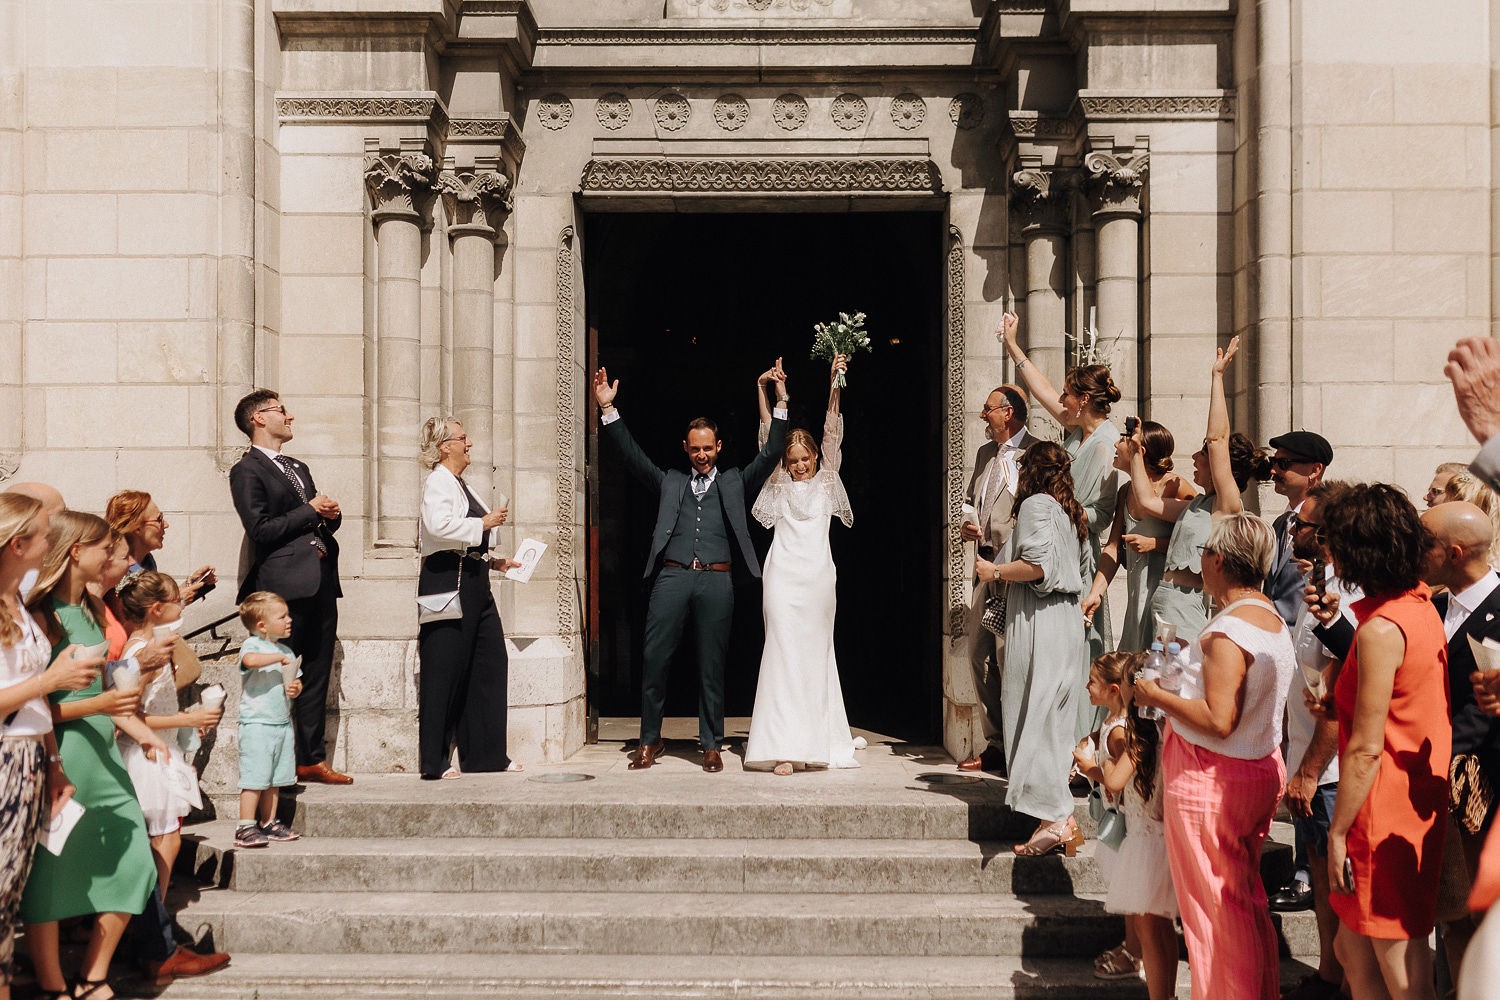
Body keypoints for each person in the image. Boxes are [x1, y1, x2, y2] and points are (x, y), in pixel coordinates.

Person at [593, 360, 788, 772]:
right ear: (686, 448)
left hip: (716, 580)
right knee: (655, 657)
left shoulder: (734, 480)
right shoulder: (671, 482)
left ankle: (711, 743)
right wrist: (609, 410)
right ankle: (649, 740)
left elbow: (772, 452)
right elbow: (632, 457)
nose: (701, 455)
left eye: (708, 448)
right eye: (695, 448)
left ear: (719, 447)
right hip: (673, 576)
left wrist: (781, 400)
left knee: (712, 663)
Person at [1134, 511, 1295, 1000]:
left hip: (1213, 778)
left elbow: (1220, 719)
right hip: (1254, 769)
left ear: (1218, 560)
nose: (1198, 562)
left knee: (1213, 914)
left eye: (1202, 553)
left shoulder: (1228, 630)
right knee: (1242, 903)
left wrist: (1154, 695)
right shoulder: (1268, 616)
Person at [1313, 483, 1448, 1000]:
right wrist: (1337, 704)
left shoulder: (1382, 629)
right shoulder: (1417, 606)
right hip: (1398, 800)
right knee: (1353, 949)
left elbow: (1368, 747)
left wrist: (1338, 832)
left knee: (1400, 964)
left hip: (1380, 809)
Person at [20, 511, 160, 1000]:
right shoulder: (41, 613)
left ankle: (93, 973)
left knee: (135, 862)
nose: (114, 558)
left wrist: (143, 732)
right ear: (77, 551)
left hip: (102, 751)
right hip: (61, 752)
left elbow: (107, 693)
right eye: (106, 548)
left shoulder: (98, 610)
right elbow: (33, 704)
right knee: (51, 871)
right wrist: (103, 705)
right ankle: (55, 984)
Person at [0, 494, 97, 1000]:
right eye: (43, 533)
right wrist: (50, 680)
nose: (51, 540)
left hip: (31, 759)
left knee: (7, 896)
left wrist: (55, 763)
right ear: (18, 543)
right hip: (4, 761)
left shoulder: (19, 593)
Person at [228, 389, 350, 785]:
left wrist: (329, 516)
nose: (289, 416)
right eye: (281, 411)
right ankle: (271, 766)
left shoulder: (297, 465)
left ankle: (310, 758)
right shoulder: (246, 470)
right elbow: (260, 528)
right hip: (282, 586)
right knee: (277, 673)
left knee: (316, 671)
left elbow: (309, 516)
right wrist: (308, 510)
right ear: (259, 418)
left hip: (320, 582)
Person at [744, 356, 858, 775]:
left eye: (803, 457)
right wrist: (768, 392)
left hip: (816, 581)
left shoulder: (828, 482)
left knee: (813, 656)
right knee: (781, 652)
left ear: (813, 456)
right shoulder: (777, 483)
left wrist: (835, 380)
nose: (798, 465)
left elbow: (833, 429)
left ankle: (813, 742)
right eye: (792, 459)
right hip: (781, 579)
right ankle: (784, 747)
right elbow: (766, 439)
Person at [975, 440, 1087, 856]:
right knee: (1050, 719)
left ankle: (1056, 818)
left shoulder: (1038, 504)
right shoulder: (1067, 509)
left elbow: (1038, 566)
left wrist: (995, 570)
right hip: (1063, 619)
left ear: (1033, 472)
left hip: (1040, 619)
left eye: (1023, 468)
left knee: (1033, 712)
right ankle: (1061, 818)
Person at [997, 312, 1120, 687]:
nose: (1061, 399)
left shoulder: (1106, 444)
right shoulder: (1078, 429)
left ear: (1083, 400)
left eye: (1068, 394)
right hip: (1054, 543)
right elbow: (1042, 390)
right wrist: (1012, 345)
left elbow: (1101, 515)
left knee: (1072, 652)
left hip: (1077, 556)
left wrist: (1053, 508)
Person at [1125, 336, 1271, 643]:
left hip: (1186, 610)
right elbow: (1148, 502)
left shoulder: (1227, 506)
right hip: (1163, 604)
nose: (1194, 457)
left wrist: (1217, 378)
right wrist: (1136, 453)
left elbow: (1217, 439)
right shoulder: (1199, 504)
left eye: (1201, 454)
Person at [1275, 481, 1354, 1000]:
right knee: (1322, 881)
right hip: (1309, 761)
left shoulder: (1347, 596)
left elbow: (1340, 693)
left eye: (1301, 524)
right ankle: (1329, 974)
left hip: (1331, 771)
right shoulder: (1315, 586)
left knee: (1337, 883)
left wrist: (1307, 771)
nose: (1292, 529)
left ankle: (1346, 980)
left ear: (1323, 534)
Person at [1419, 501, 1500, 988]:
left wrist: (1439, 757)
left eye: (1422, 543)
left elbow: (1476, 712)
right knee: (1452, 914)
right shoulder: (1432, 605)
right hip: (1440, 785)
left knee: (1481, 920)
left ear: (1452, 552)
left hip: (1482, 791)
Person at [416, 416, 523, 780]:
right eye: (463, 438)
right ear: (446, 446)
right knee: (444, 669)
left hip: (475, 580)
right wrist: (485, 523)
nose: (469, 444)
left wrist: (497, 561)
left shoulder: (461, 484)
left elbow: (466, 542)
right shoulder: (438, 482)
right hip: (448, 582)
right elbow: (437, 527)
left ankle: (485, 755)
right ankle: (434, 760)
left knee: (489, 662)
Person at [1076, 651, 1179, 999]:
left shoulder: (1139, 738)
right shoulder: (1160, 731)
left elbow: (1115, 781)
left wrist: (1092, 764)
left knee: (1152, 931)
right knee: (1160, 928)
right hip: (1153, 836)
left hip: (1147, 840)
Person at [114, 573, 219, 895]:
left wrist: (184, 718)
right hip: (147, 753)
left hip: (162, 748)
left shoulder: (153, 646)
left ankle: (152, 914)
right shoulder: (142, 654)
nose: (182, 604)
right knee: (166, 836)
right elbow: (128, 714)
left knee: (167, 833)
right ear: (157, 609)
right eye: (177, 600)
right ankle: (153, 911)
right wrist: (187, 719)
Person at [957, 383, 1038, 773]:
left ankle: (1018, 748)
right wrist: (969, 527)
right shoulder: (984, 453)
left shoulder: (1035, 453)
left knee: (1010, 658)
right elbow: (973, 503)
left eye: (987, 409)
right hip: (983, 566)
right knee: (978, 654)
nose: (982, 416)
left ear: (1008, 412)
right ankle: (995, 744)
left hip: (1014, 568)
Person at [1082, 421, 1193, 652]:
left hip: (1168, 602)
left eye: (1123, 439)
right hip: (1136, 605)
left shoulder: (1176, 486)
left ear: (1139, 451)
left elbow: (1200, 539)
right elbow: (1113, 548)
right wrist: (1095, 593)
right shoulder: (1125, 492)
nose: (1116, 442)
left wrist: (1156, 544)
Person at [1070, 651, 1137, 983]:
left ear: (1113, 689)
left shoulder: (1120, 733)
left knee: (1132, 892)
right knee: (1126, 892)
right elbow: (1104, 736)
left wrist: (1090, 769)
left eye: (1093, 682)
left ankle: (1134, 951)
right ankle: (1129, 944)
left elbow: (1123, 777)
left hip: (1128, 821)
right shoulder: (1111, 722)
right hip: (1118, 817)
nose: (1086, 685)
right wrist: (1090, 739)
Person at [234, 591, 305, 848]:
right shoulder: (253, 645)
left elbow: (295, 680)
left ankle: (269, 821)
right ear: (262, 626)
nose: (289, 620)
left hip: (281, 723)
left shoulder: (286, 649)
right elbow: (249, 661)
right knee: (255, 777)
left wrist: (295, 688)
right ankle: (245, 825)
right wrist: (277, 658)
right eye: (282, 616)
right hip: (257, 723)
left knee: (274, 779)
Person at [1264, 431, 1333, 626]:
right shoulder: (1280, 523)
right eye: (1273, 462)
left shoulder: (1328, 523)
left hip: (1311, 639)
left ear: (1315, 469)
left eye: (1283, 464)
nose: (1273, 470)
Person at [104, 490, 216, 601]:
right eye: (159, 519)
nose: (166, 525)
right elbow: (136, 615)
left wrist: (189, 585)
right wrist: (178, 601)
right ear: (137, 528)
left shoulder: (147, 561)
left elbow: (154, 600)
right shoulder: (115, 571)